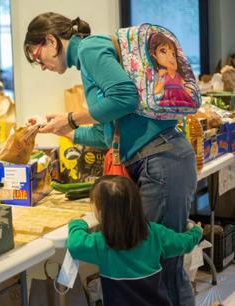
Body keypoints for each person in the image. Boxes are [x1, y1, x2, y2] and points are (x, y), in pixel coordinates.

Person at [24, 12, 197, 305]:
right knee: (157, 270)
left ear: (51, 41)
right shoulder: (88, 59)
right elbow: (111, 136)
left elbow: (124, 98)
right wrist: (65, 130)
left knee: (164, 270)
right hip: (159, 159)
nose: (42, 65)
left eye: (38, 56)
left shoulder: (89, 49)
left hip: (162, 160)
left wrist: (71, 117)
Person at [67, 176, 202, 306]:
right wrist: (196, 231)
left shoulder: (102, 243)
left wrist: (77, 224)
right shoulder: (155, 233)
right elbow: (184, 243)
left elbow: (75, 245)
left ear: (103, 212)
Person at [148, 32, 194, 106]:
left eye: (173, 54)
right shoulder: (161, 74)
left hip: (183, 101)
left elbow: (187, 88)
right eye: (163, 51)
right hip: (169, 102)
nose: (171, 57)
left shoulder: (178, 75)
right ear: (154, 55)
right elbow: (157, 90)